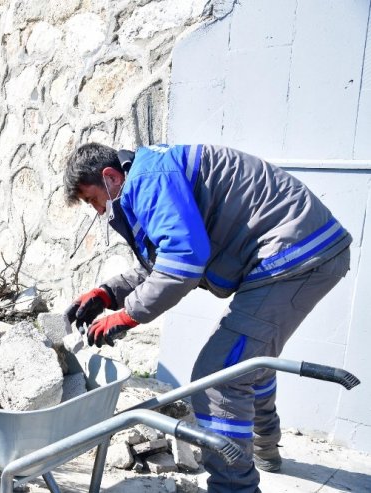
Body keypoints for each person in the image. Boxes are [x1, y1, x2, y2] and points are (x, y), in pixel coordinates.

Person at [63, 143, 351, 493]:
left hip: (294, 254)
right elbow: (160, 264)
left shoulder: (148, 180)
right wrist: (107, 293)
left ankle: (234, 487)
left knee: (219, 377)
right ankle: (266, 449)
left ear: (110, 178)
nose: (97, 211)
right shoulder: (150, 175)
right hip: (298, 249)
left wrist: (128, 316)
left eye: (93, 199)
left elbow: (183, 262)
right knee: (244, 360)